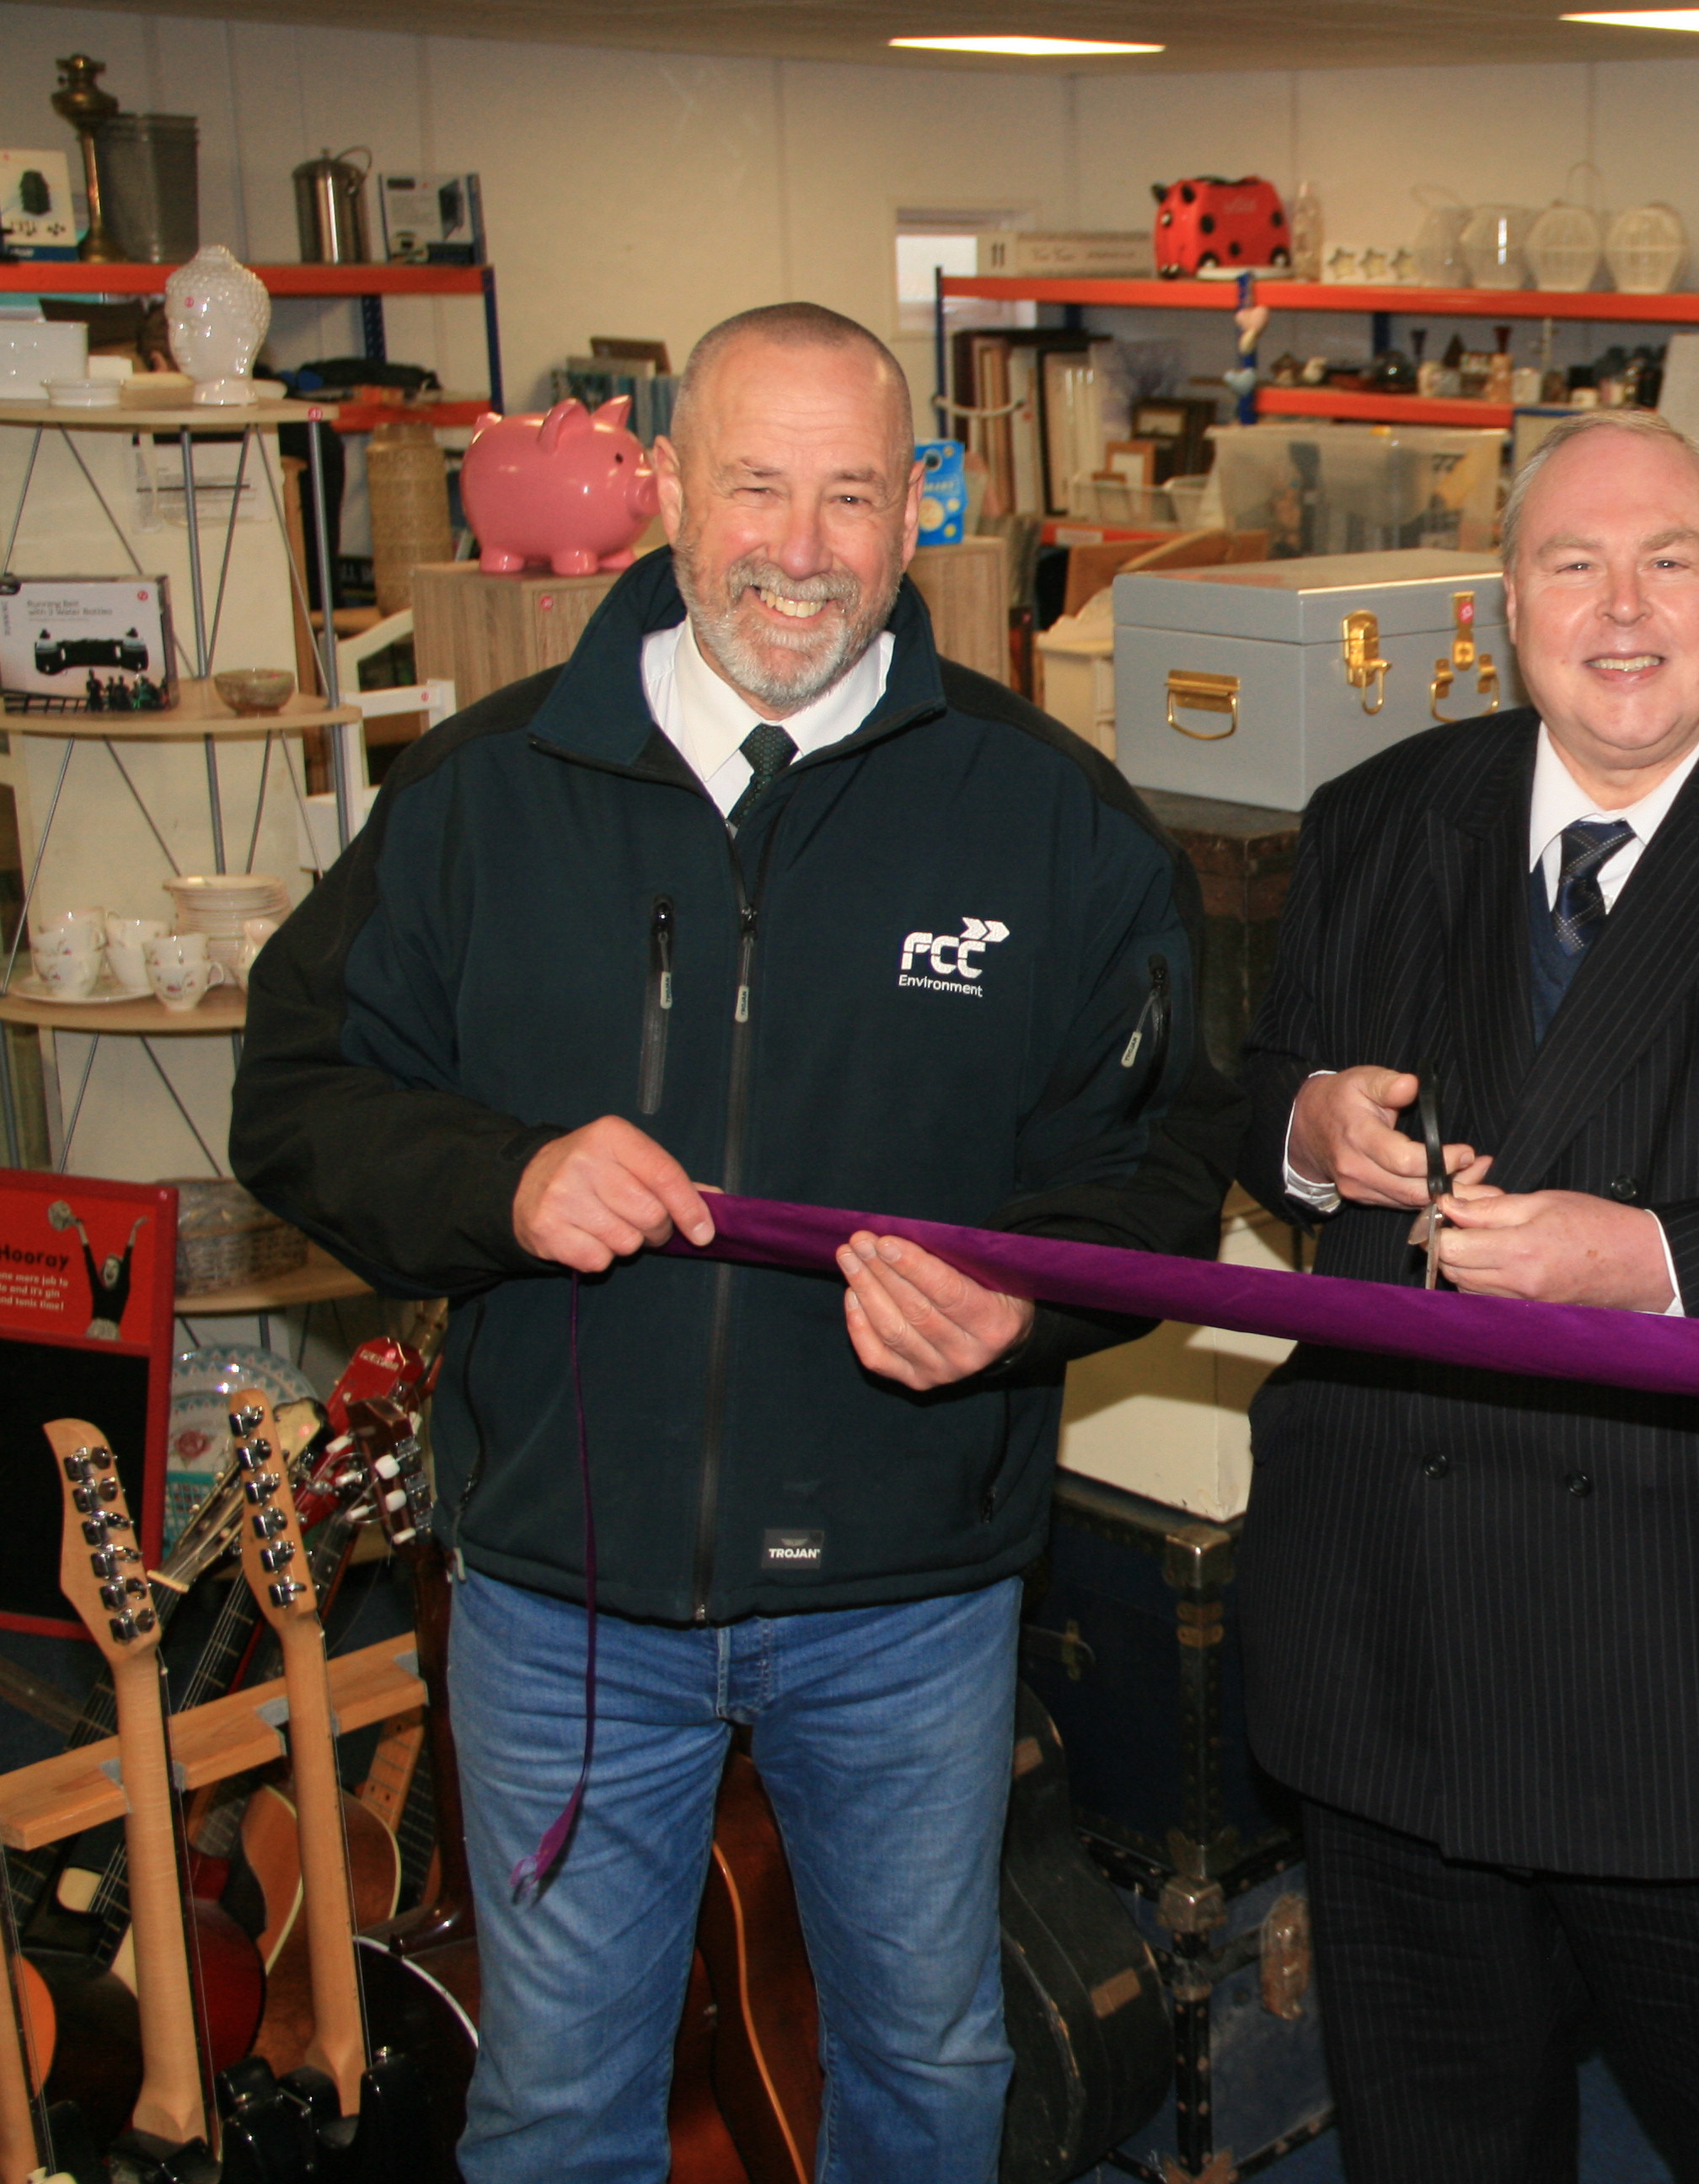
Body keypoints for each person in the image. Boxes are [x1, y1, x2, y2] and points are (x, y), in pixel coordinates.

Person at [232, 302, 1241, 2184]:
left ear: (918, 510)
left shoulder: (1051, 820)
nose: (800, 546)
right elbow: (296, 1100)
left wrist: (1024, 1297)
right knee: (553, 2112)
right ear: (670, 489)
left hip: (909, 1599)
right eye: (757, 484)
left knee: (930, 2077)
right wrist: (502, 1183)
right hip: (565, 1598)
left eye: (850, 494)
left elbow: (1168, 1154)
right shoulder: (483, 794)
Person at [1236, 407, 1699, 2184]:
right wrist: (1303, 1122)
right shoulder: (1371, 822)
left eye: (1670, 561)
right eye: (1575, 563)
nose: (1623, 606)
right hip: (1392, 1669)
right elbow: (1253, 1075)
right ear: (1510, 604)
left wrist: (1653, 1266)